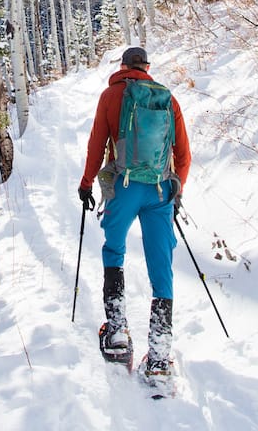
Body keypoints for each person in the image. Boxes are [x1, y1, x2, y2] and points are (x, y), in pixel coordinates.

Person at [78, 46, 191, 379]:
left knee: (114, 249)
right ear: (147, 67)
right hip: (159, 191)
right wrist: (177, 190)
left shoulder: (111, 96)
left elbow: (97, 146)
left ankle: (116, 332)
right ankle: (158, 357)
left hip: (124, 188)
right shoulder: (167, 100)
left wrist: (86, 184)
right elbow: (183, 155)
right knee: (162, 267)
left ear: (123, 66)